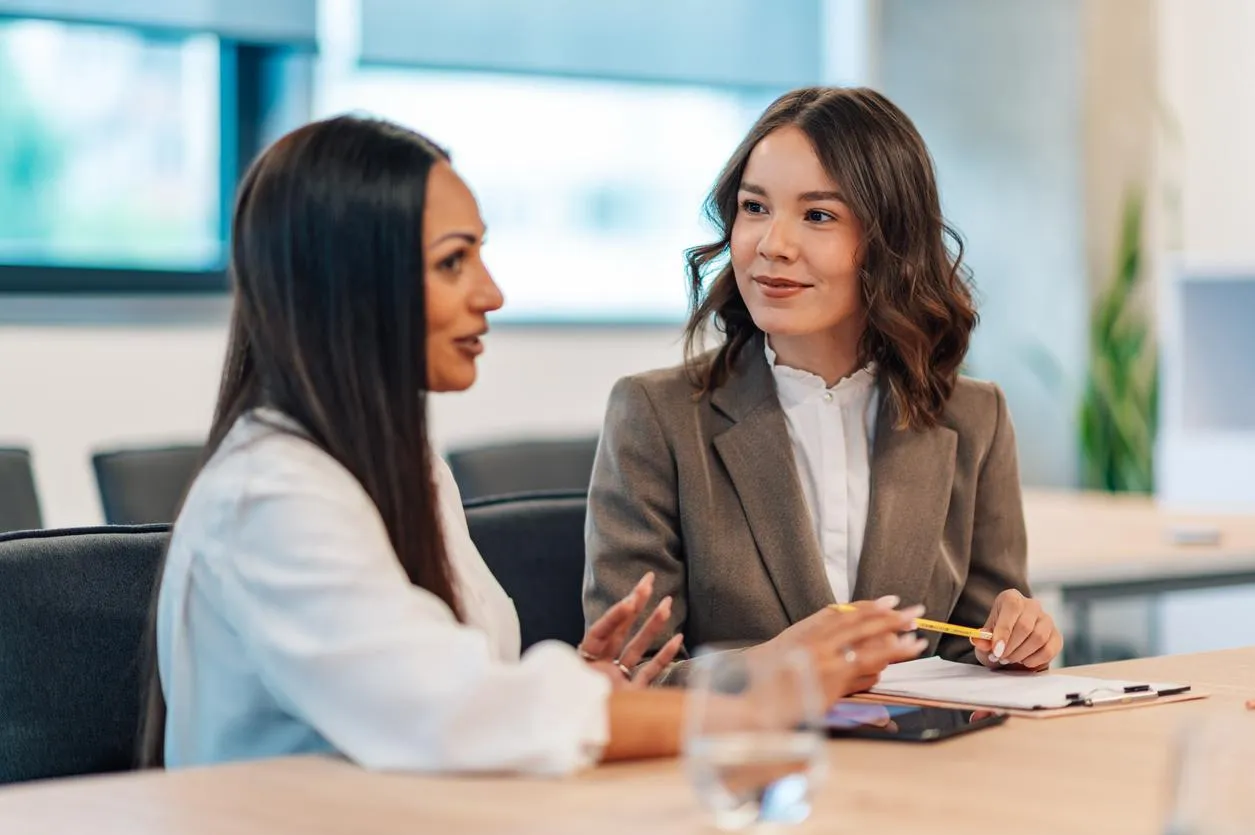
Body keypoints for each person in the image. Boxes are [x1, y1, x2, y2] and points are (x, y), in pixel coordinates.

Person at [137, 115, 924, 776]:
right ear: (351, 283)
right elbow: (445, 714)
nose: (491, 292)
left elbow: (452, 686)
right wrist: (757, 701)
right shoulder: (273, 495)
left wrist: (578, 682)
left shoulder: (399, 468)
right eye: (453, 261)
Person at [584, 87, 1064, 686]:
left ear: (891, 242)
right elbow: (628, 672)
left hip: (920, 767)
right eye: (754, 208)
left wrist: (1014, 643)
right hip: (739, 766)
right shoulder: (656, 415)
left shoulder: (975, 418)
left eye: (817, 216)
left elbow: (975, 649)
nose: (772, 245)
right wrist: (780, 667)